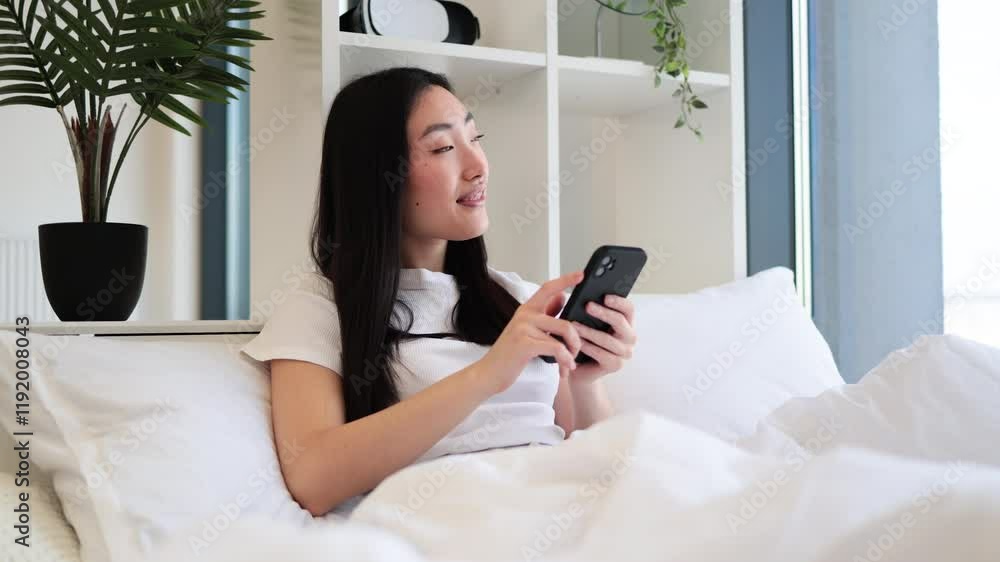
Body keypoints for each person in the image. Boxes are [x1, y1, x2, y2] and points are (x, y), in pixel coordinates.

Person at [241, 67, 638, 518]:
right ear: (378, 176)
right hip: (465, 521)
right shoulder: (318, 308)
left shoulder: (513, 297)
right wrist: (487, 373)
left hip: (561, 508)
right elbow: (313, 478)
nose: (478, 166)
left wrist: (584, 381)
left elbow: (585, 452)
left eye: (475, 138)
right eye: (444, 147)